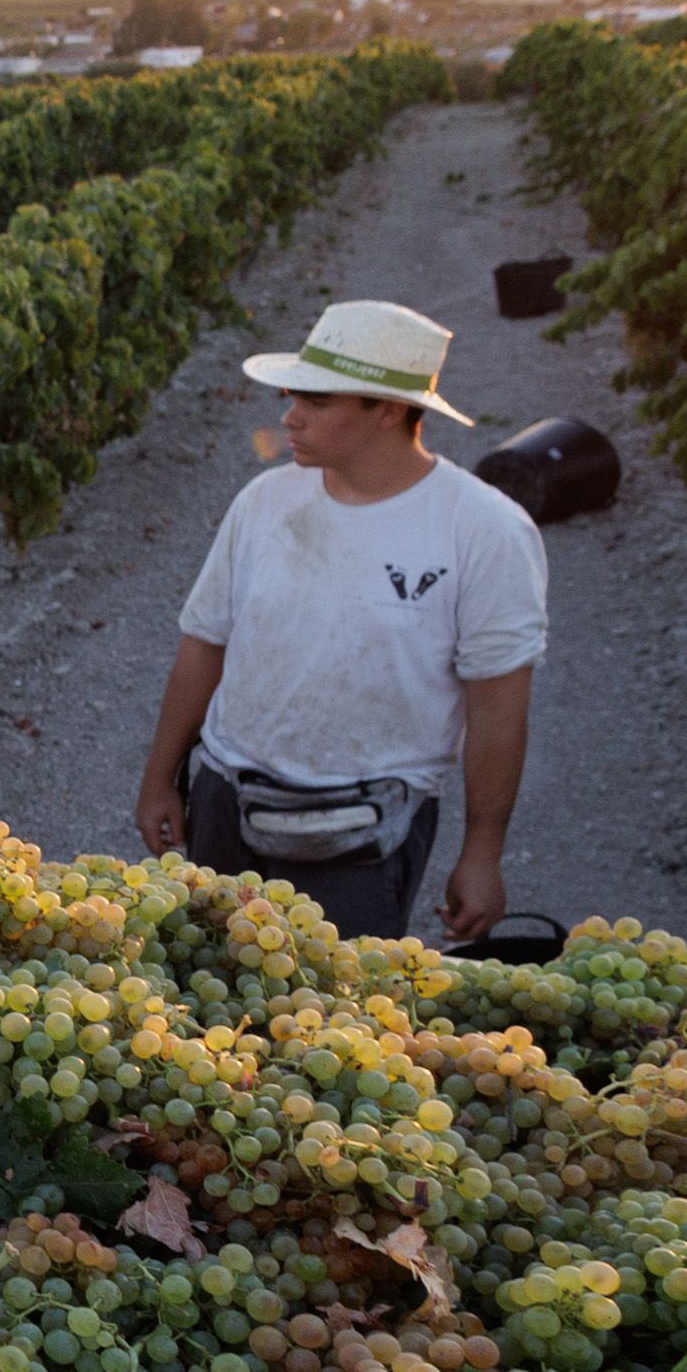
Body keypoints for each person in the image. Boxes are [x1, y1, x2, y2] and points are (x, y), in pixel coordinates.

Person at [134, 299, 546, 941]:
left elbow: (498, 706)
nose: (290, 418)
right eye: (294, 397)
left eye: (318, 403)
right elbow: (204, 644)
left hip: (364, 830)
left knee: (328, 1021)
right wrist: (161, 777)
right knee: (207, 997)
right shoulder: (265, 502)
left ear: (386, 410)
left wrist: (482, 852)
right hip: (225, 802)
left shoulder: (485, 531)